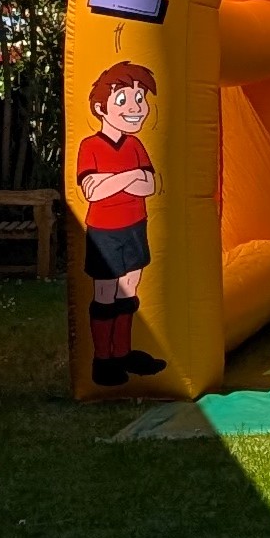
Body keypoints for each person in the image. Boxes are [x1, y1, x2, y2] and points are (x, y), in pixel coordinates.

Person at [75, 61, 167, 385]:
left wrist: (115, 180)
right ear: (102, 108)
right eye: (124, 100)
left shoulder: (135, 145)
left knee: (129, 293)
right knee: (105, 293)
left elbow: (150, 185)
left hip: (134, 225)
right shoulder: (90, 146)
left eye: (140, 99)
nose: (135, 107)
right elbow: (92, 191)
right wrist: (130, 176)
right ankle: (103, 359)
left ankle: (123, 353)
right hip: (105, 232)